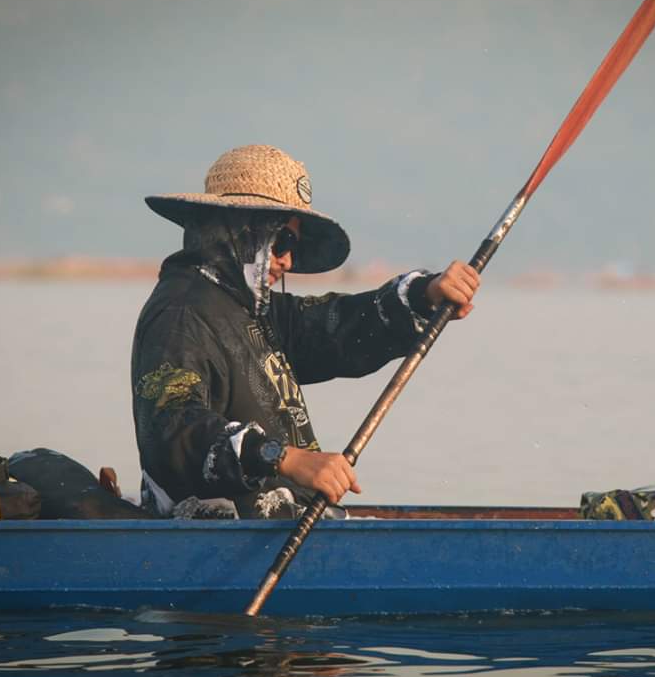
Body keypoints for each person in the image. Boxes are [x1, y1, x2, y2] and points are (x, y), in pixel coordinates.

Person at [132, 145, 479, 519]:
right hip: (218, 544)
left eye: (293, 246)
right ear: (237, 231)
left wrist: (424, 295)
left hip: (280, 528)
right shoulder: (182, 313)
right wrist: (283, 458)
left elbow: (335, 326)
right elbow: (172, 429)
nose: (288, 260)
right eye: (282, 241)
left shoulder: (255, 311)